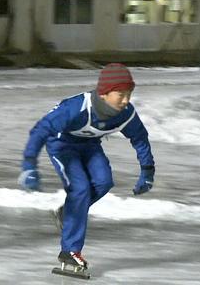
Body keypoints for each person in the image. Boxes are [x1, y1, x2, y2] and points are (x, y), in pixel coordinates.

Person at [18, 63, 156, 272]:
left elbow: (140, 138)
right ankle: (70, 251)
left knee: (104, 181)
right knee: (80, 188)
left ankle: (67, 213)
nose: (126, 100)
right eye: (121, 94)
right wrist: (29, 165)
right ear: (104, 93)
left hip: (89, 146)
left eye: (129, 94)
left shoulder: (125, 113)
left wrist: (147, 171)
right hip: (61, 145)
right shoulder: (75, 108)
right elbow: (40, 130)